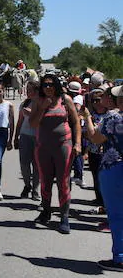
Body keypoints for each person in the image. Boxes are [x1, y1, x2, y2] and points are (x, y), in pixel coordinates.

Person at [30, 74, 81, 234]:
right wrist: (44, 107)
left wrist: (78, 143)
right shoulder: (38, 100)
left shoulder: (65, 99)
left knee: (63, 181)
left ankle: (64, 216)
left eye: (51, 84)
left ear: (56, 85)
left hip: (63, 146)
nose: (48, 88)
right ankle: (46, 211)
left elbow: (76, 122)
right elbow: (33, 123)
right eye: (45, 85)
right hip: (43, 147)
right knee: (45, 181)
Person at [82, 84, 123, 271]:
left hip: (114, 168)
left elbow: (95, 138)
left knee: (116, 215)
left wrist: (87, 118)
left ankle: (120, 258)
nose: (105, 97)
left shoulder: (112, 117)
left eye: (110, 95)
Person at [84, 88, 111, 230]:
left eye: (100, 99)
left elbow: (96, 135)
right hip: (94, 151)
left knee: (106, 183)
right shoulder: (91, 115)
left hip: (108, 154)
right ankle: (102, 204)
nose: (97, 102)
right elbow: (87, 134)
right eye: (94, 100)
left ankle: (107, 209)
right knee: (97, 178)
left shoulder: (111, 116)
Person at [13, 80, 41, 202]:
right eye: (27, 89)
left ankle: (35, 190)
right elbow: (19, 121)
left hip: (38, 138)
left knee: (37, 166)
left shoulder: (42, 104)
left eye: (30, 90)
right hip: (25, 136)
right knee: (24, 164)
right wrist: (15, 137)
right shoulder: (24, 104)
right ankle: (27, 185)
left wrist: (33, 113)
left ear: (36, 91)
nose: (27, 92)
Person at [67, 81, 85, 187]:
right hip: (76, 125)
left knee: (76, 152)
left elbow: (77, 109)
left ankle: (78, 175)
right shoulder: (77, 97)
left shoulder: (76, 99)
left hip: (77, 126)